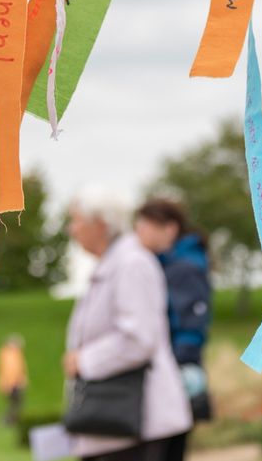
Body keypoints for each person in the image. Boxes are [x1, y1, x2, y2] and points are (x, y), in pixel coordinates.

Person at [64, 187, 192, 461]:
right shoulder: (116, 263)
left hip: (138, 424)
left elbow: (138, 339)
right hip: (120, 426)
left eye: (76, 221)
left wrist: (84, 361)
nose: (71, 230)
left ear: (100, 225)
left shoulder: (132, 264)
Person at [134, 199, 212, 461]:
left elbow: (191, 325)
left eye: (147, 224)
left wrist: (175, 367)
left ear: (170, 229)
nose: (139, 230)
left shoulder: (185, 268)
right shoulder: (160, 264)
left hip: (175, 375)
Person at [0, 334, 29, 426]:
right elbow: (10, 370)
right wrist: (11, 383)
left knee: (17, 403)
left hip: (15, 383)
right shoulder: (8, 354)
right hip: (11, 384)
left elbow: (21, 368)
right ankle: (7, 420)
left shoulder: (15, 353)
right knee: (14, 403)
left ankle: (12, 419)